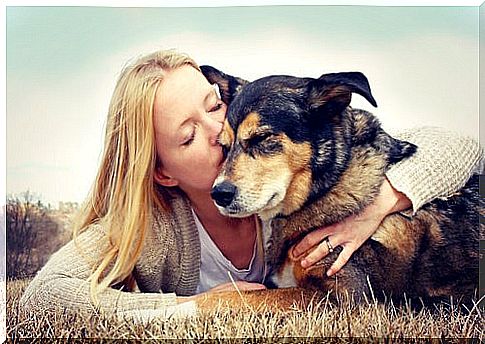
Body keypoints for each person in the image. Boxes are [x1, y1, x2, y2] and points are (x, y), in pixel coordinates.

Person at [20, 49, 483, 319]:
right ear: (163, 171)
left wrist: (378, 205)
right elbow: (44, 297)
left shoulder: (289, 187)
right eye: (187, 136)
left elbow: (457, 146)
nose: (220, 133)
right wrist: (193, 311)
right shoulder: (155, 228)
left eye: (213, 104)